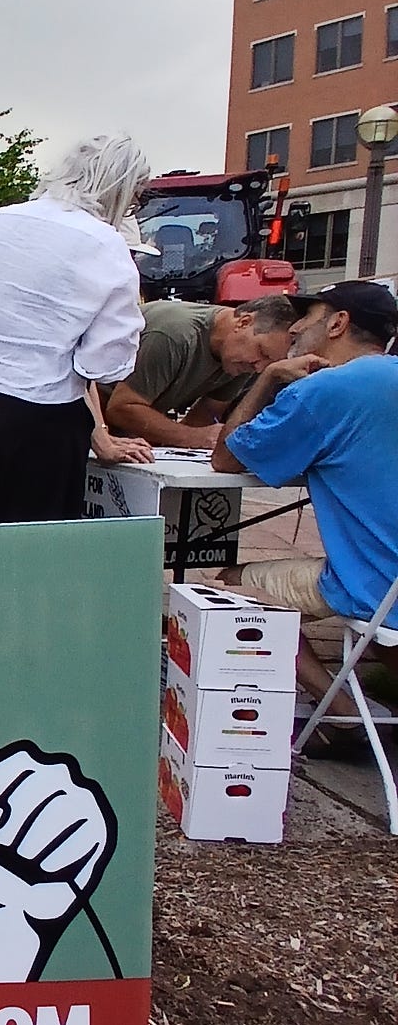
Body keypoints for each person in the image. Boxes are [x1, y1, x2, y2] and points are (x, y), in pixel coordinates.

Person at [0, 134, 150, 527]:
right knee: (29, 560)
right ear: (121, 189)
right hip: (40, 420)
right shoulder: (107, 245)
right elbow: (106, 363)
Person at [213, 280, 398, 731]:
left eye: (309, 316)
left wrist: (270, 376)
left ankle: (342, 713)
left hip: (378, 589)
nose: (295, 326)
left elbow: (225, 457)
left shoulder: (325, 390)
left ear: (338, 323)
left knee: (229, 585)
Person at [104, 297, 298, 448]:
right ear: (244, 322)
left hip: (120, 434)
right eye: (262, 352)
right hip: (88, 418)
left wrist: (201, 437)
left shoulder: (240, 360)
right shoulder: (175, 336)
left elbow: (207, 414)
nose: (259, 367)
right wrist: (193, 437)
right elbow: (121, 408)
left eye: (269, 362)